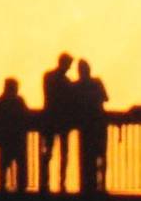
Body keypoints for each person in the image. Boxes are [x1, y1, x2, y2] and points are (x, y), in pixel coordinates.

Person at [40, 53, 74, 192]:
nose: (69, 68)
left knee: (48, 152)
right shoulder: (67, 81)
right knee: (63, 153)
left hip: (49, 118)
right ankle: (62, 182)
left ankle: (45, 181)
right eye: (68, 65)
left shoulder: (48, 76)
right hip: (63, 120)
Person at [0, 78, 29, 192]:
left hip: (4, 139)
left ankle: (3, 186)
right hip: (16, 138)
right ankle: (21, 188)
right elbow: (26, 117)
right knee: (19, 164)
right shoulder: (19, 102)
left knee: (4, 164)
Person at [74, 59, 109, 192]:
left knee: (86, 156)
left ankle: (87, 185)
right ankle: (101, 184)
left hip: (86, 126)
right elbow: (106, 98)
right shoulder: (96, 82)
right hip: (99, 122)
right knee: (101, 154)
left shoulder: (76, 86)